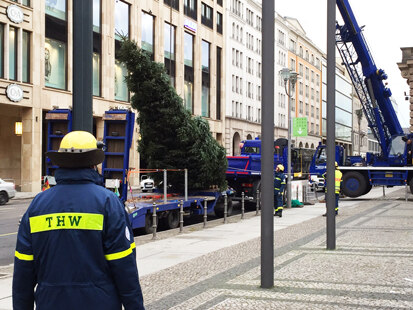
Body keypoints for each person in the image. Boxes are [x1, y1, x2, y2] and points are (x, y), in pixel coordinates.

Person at [13, 131, 145, 310]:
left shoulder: (38, 205)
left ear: (62, 162)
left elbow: (23, 273)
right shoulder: (107, 202)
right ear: (93, 163)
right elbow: (124, 266)